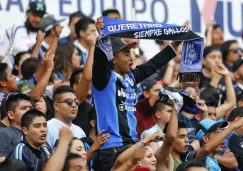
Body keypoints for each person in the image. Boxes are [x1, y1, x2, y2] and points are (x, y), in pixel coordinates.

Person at [92, 18, 180, 171]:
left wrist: (177, 41)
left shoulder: (131, 77)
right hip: (112, 149)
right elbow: (99, 62)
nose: (131, 57)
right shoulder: (103, 80)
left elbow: (154, 64)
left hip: (133, 145)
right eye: (126, 54)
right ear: (113, 59)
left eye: (131, 53)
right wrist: (102, 37)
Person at [0, 1, 46, 67]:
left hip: (34, 75)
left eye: (41, 16)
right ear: (27, 14)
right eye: (35, 15)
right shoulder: (14, 30)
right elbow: (1, 55)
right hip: (12, 75)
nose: (38, 19)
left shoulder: (43, 35)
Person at [47, 86, 86, 150]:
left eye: (76, 102)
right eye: (69, 102)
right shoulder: (47, 128)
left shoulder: (80, 131)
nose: (74, 105)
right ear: (56, 106)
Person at [0, 93, 33, 162]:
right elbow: (1, 161)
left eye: (30, 108)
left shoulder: (38, 132)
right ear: (11, 115)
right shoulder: (4, 134)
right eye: (23, 108)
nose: (29, 111)